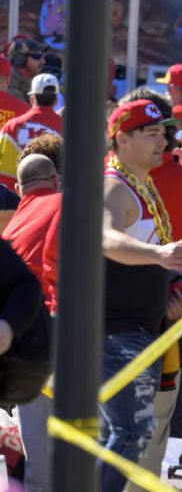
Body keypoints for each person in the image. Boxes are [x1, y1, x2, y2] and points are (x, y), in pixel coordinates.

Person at [100, 99, 182, 492]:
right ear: (122, 138)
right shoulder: (113, 186)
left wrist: (170, 288)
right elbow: (104, 238)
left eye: (164, 133)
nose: (163, 141)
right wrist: (160, 255)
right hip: (116, 333)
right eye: (151, 134)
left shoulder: (140, 184)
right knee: (126, 435)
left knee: (129, 435)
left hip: (140, 330)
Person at [1, 154, 59, 492]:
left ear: (20, 189)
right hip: (64, 329)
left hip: (23, 340)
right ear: (56, 178)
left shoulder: (17, 219)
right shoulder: (70, 204)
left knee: (38, 457)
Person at [6, 39, 47, 103]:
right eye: (37, 56)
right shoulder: (6, 85)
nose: (43, 62)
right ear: (20, 59)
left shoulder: (34, 83)